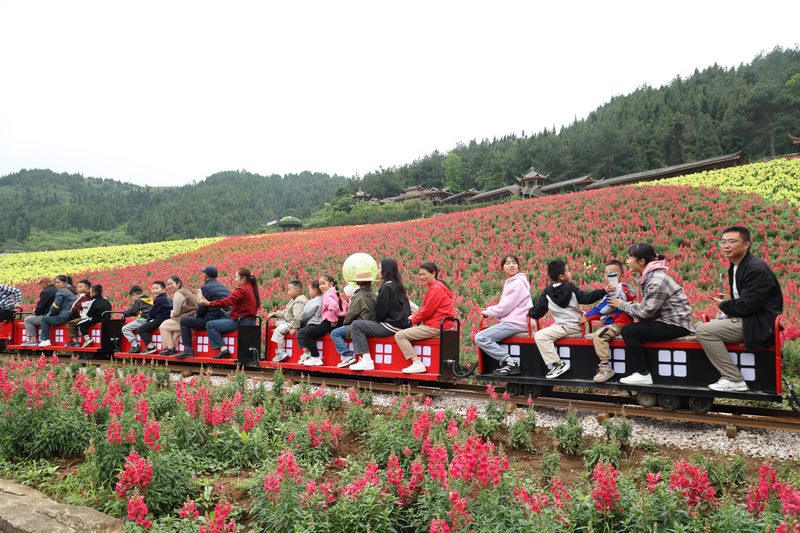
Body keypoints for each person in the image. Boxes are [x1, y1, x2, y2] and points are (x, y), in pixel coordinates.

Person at [696, 226, 783, 392]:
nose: (726, 246)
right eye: (723, 242)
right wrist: (726, 309)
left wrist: (723, 305)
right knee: (700, 328)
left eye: (732, 241)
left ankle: (734, 379)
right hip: (750, 319)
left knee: (704, 331)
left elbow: (746, 306)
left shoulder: (755, 269)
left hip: (759, 323)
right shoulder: (737, 265)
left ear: (746, 244)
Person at [609, 244, 694, 385]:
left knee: (629, 331)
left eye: (630, 257)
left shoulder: (656, 280)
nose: (627, 261)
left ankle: (643, 374)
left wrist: (622, 305)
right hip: (667, 321)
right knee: (636, 328)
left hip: (675, 324)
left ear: (641, 261)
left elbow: (646, 312)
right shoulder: (650, 275)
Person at [529, 260, 607, 379]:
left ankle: (556, 363)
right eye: (568, 271)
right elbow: (587, 298)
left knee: (540, 335)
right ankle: (558, 364)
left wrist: (528, 312)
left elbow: (537, 312)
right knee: (543, 334)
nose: (570, 273)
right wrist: (604, 291)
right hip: (575, 327)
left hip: (565, 327)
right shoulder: (571, 287)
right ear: (561, 276)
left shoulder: (547, 292)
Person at [475, 255, 533, 377]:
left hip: (515, 323)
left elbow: (505, 307)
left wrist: (488, 312)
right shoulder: (514, 282)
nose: (511, 265)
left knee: (481, 338)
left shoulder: (517, 283)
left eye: (514, 263)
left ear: (518, 266)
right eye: (507, 263)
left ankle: (510, 362)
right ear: (502, 269)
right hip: (517, 322)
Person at [350, 258, 411, 371]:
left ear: (386, 270)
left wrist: (374, 321)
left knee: (356, 325)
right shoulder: (398, 285)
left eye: (379, 268)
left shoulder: (386, 286)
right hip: (400, 325)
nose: (378, 271)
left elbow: (381, 311)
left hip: (389, 326)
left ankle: (366, 360)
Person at [394, 262, 455, 374]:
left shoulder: (436, 288)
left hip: (435, 326)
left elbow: (427, 311)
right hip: (442, 324)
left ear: (433, 273)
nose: (421, 277)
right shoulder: (439, 286)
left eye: (424, 274)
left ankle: (417, 363)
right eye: (420, 275)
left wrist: (413, 319)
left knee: (400, 335)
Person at [581, 260, 636, 382]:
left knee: (600, 335)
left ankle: (606, 367)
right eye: (607, 273)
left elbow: (604, 308)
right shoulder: (625, 288)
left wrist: (587, 317)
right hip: (618, 324)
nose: (610, 276)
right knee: (599, 333)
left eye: (613, 274)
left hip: (620, 324)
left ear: (621, 276)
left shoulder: (617, 290)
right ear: (604, 275)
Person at [196, 267, 260, 360]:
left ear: (243, 278)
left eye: (236, 277)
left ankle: (223, 348)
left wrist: (209, 303)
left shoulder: (241, 290)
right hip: (250, 321)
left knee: (210, 325)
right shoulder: (252, 288)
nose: (235, 280)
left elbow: (226, 301)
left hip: (240, 322)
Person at [175, 266, 230, 358]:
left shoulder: (206, 288)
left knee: (185, 321)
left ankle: (188, 350)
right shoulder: (223, 287)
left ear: (205, 276)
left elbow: (201, 311)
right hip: (224, 318)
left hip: (211, 320)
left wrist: (197, 315)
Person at [297, 274, 348, 366]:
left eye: (323, 283)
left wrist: (333, 319)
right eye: (320, 284)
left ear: (331, 284)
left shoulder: (328, 295)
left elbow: (333, 306)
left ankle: (315, 357)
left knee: (308, 334)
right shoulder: (335, 293)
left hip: (329, 322)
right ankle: (346, 356)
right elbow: (344, 305)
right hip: (340, 320)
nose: (321, 286)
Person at [333, 275, 377, 368]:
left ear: (357, 283)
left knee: (335, 333)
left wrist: (345, 323)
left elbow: (351, 313)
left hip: (359, 325)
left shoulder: (359, 295)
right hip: (372, 325)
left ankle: (347, 355)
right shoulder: (374, 294)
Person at [268, 280, 308, 362]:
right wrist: (275, 314)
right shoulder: (293, 300)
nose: (287, 292)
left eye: (289, 290)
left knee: (278, 330)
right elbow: (286, 313)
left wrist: (294, 327)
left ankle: (280, 352)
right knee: (278, 323)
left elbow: (297, 316)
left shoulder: (298, 302)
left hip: (295, 323)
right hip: (291, 321)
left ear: (296, 291)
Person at [159, 275, 197, 356]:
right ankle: (170, 347)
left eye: (171, 284)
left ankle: (170, 349)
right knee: (171, 326)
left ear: (178, 283)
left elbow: (175, 312)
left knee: (163, 326)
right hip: (192, 317)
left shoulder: (178, 293)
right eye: (168, 284)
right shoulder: (185, 291)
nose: (169, 286)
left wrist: (171, 313)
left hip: (185, 319)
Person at [37, 275, 77, 347]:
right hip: (72, 315)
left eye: (58, 282)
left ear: (64, 283)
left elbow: (55, 306)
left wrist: (49, 314)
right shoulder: (72, 290)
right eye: (55, 283)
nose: (56, 284)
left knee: (44, 319)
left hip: (64, 316)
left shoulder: (61, 291)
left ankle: (45, 340)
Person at [138, 281, 172, 353]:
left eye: (157, 288)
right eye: (153, 289)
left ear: (163, 289)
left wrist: (148, 320)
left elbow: (153, 312)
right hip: (167, 318)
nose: (154, 290)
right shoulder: (166, 297)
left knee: (141, 329)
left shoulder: (159, 299)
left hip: (161, 319)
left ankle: (150, 347)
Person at [22, 277, 57, 345]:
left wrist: (35, 312)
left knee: (28, 319)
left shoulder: (46, 292)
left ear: (44, 283)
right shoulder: (58, 289)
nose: (40, 286)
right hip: (58, 315)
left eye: (40, 284)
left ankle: (33, 340)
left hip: (48, 316)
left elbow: (40, 307)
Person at [121, 285, 153, 353]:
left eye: (131, 297)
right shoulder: (149, 299)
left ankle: (135, 346)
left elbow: (133, 311)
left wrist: (124, 314)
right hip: (149, 319)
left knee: (125, 329)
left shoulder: (138, 300)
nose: (132, 299)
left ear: (135, 295)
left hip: (143, 319)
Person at [65, 279, 93, 347]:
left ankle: (75, 341)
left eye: (80, 287)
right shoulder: (92, 296)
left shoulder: (83, 296)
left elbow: (75, 306)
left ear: (88, 289)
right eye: (78, 287)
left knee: (71, 323)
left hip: (85, 317)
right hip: (91, 316)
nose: (78, 289)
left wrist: (72, 313)